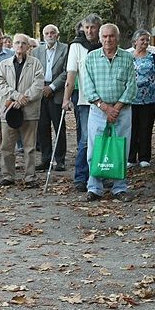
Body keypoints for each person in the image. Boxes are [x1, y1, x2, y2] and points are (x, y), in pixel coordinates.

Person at [82, 23, 137, 200]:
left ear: (117, 38)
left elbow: (131, 86)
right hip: (98, 110)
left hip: (122, 110)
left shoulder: (127, 58)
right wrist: (105, 107)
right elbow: (87, 87)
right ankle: (94, 188)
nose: (108, 40)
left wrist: (116, 108)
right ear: (100, 38)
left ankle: (119, 188)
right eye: (104, 36)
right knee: (94, 149)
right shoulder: (91, 58)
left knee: (120, 149)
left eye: (111, 36)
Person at [0, 33, 44, 187]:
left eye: (23, 43)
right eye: (17, 43)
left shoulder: (36, 64)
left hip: (29, 110)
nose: (20, 46)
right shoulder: (4, 64)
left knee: (29, 147)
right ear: (12, 45)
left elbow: (38, 85)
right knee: (7, 146)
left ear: (28, 46)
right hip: (9, 110)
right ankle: (8, 176)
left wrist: (23, 99)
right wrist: (15, 96)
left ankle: (30, 177)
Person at [61, 13, 102, 192]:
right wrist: (66, 98)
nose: (89, 31)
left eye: (93, 27)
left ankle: (102, 174)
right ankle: (81, 176)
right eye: (86, 27)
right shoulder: (76, 46)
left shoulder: (105, 44)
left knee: (102, 139)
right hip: (85, 99)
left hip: (106, 99)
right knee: (86, 139)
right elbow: (71, 74)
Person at [127, 29, 155, 167]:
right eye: (142, 39)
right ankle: (130, 158)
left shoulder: (154, 57)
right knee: (131, 128)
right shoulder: (127, 57)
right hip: (130, 98)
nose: (145, 42)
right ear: (135, 41)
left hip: (149, 98)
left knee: (146, 127)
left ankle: (144, 157)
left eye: (147, 40)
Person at [34, 24, 69, 172]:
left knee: (59, 127)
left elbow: (67, 71)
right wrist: (41, 87)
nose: (49, 35)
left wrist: (52, 87)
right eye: (47, 33)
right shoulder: (36, 51)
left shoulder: (66, 49)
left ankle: (60, 160)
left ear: (57, 35)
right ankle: (45, 158)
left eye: (52, 33)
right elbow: (33, 70)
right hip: (40, 91)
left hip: (57, 91)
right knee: (42, 127)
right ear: (43, 36)